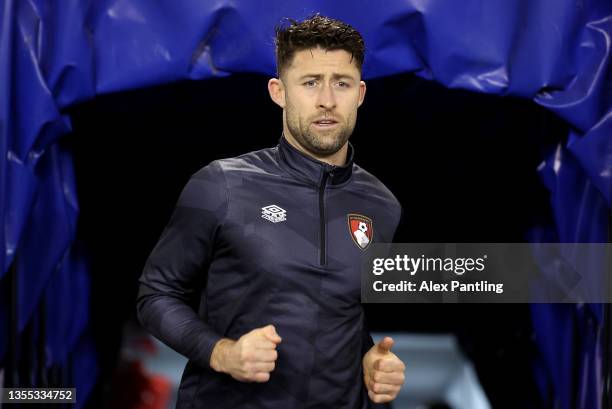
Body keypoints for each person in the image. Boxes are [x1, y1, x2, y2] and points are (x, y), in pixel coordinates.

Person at [136, 14, 405, 409]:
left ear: (360, 94)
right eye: (310, 82)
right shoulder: (222, 184)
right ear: (279, 91)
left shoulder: (382, 205)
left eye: (341, 84)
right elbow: (156, 294)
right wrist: (221, 352)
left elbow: (339, 310)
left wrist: (368, 359)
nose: (327, 100)